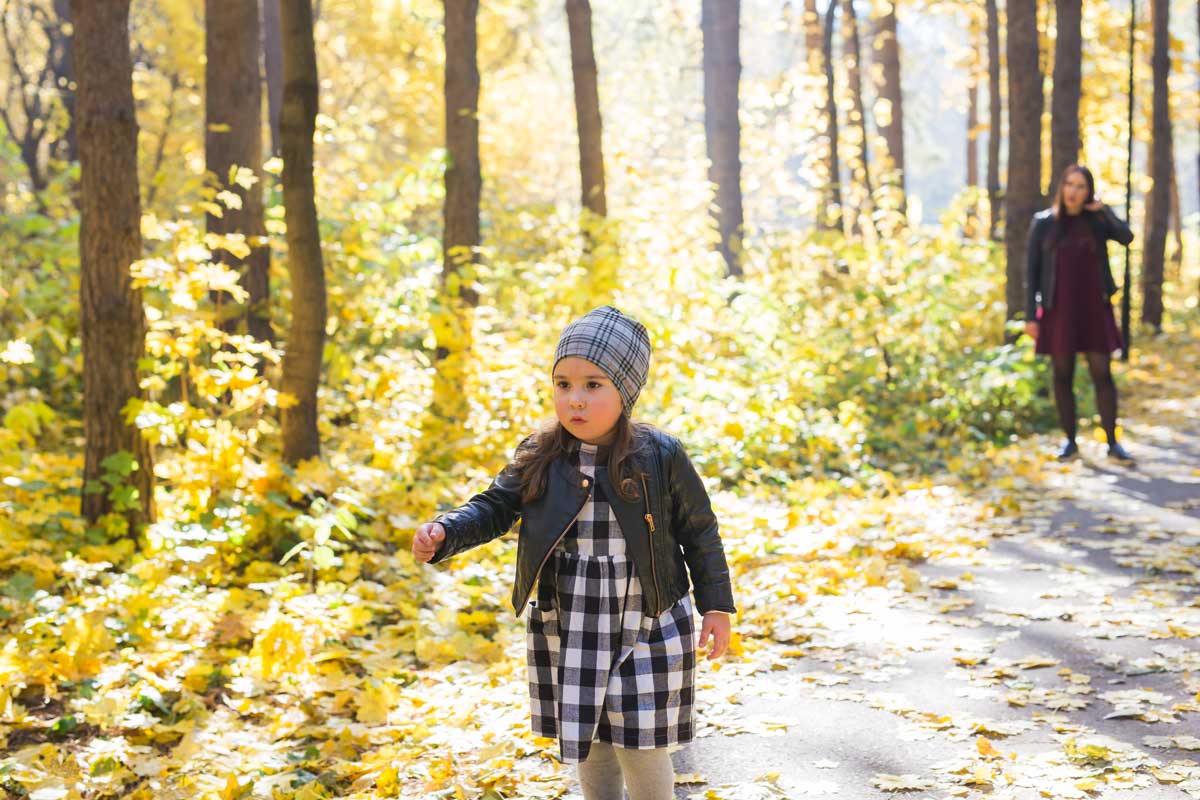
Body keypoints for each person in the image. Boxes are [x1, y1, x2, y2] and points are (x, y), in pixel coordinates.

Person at [412, 305, 736, 800]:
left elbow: (700, 531)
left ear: (625, 392)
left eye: (592, 384)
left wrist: (716, 606)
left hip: (646, 618)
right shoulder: (542, 453)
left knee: (643, 741)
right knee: (592, 741)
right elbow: (495, 506)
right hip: (572, 621)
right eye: (563, 384)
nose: (575, 399)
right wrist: (445, 531)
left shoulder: (660, 455)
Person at [1024, 164, 1135, 463]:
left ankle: (1112, 443)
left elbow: (1126, 237)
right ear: (1061, 187)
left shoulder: (1097, 221)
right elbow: (1031, 273)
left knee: (1102, 373)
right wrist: (1030, 317)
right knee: (1062, 375)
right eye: (1069, 184)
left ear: (1089, 192)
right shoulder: (1044, 223)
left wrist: (1104, 211)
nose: (1074, 191)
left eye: (1080, 186)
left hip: (1093, 308)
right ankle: (1070, 442)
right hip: (1057, 309)